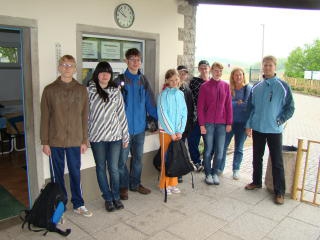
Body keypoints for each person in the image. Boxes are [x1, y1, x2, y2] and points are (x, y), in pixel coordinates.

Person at [40, 54, 92, 217]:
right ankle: (60, 204)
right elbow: (45, 117)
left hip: (75, 139)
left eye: (70, 65)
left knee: (75, 172)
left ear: (75, 68)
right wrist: (45, 141)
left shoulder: (81, 90)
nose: (67, 68)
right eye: (64, 64)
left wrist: (84, 139)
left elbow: (85, 116)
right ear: (59, 67)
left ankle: (78, 203)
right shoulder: (50, 90)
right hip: (55, 140)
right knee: (57, 174)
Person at [245, 55, 295, 205]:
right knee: (256, 157)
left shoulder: (283, 86)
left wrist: (279, 120)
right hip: (258, 128)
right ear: (262, 67)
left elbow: (290, 108)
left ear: (275, 67)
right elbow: (250, 109)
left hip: (274, 130)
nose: (267, 67)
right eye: (265, 65)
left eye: (270, 65)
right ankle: (256, 182)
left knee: (277, 161)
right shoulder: (256, 87)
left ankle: (280, 192)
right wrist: (249, 125)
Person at [114, 48, 158, 200]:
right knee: (121, 161)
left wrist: (157, 121)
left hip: (139, 128)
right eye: (132, 59)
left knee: (138, 159)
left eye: (138, 59)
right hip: (122, 129)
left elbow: (151, 104)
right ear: (126, 61)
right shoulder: (119, 81)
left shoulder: (143, 81)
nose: (135, 62)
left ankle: (135, 184)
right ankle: (123, 187)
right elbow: (112, 105)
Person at [87, 62, 129, 212]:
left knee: (114, 168)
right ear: (97, 73)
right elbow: (85, 116)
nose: (105, 75)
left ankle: (116, 196)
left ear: (111, 75)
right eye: (102, 72)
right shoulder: (89, 91)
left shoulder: (116, 91)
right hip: (97, 137)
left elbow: (121, 115)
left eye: (108, 72)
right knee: (100, 168)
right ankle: (107, 197)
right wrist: (85, 138)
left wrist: (126, 136)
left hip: (115, 137)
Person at [197, 62, 233, 185]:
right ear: (211, 71)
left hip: (222, 124)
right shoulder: (204, 86)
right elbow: (200, 107)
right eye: (216, 70)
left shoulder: (226, 86)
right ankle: (207, 174)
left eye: (220, 71)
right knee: (208, 150)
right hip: (208, 124)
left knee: (220, 151)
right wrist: (201, 124)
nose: (218, 73)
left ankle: (214, 173)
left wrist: (229, 122)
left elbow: (228, 106)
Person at [157, 69, 187, 194]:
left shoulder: (180, 94)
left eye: (176, 79)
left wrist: (180, 131)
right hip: (166, 132)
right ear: (167, 81)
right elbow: (163, 114)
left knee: (175, 157)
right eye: (171, 80)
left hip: (177, 133)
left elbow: (183, 113)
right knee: (167, 158)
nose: (174, 82)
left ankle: (173, 183)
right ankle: (164, 184)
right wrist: (172, 132)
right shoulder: (163, 95)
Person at [219, 67, 252, 180]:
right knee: (223, 146)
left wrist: (233, 103)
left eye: (240, 75)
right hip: (229, 122)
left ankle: (236, 170)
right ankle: (220, 168)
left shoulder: (248, 88)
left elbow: (247, 105)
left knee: (239, 148)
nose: (238, 77)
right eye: (236, 75)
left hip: (242, 123)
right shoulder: (229, 88)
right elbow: (224, 105)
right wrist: (236, 103)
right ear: (232, 76)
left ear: (243, 76)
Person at [188, 60, 211, 171]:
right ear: (198, 69)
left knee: (209, 142)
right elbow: (191, 98)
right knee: (193, 140)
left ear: (209, 68)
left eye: (206, 67)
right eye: (201, 67)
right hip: (197, 116)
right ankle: (196, 162)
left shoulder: (213, 82)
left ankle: (207, 163)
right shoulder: (194, 82)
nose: (204, 70)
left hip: (210, 118)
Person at [177, 65, 195, 183]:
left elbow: (190, 107)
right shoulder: (171, 89)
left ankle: (179, 171)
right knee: (176, 150)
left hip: (184, 127)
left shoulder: (187, 89)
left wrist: (189, 124)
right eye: (180, 73)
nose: (182, 75)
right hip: (174, 127)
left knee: (182, 149)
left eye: (185, 73)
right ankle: (175, 171)